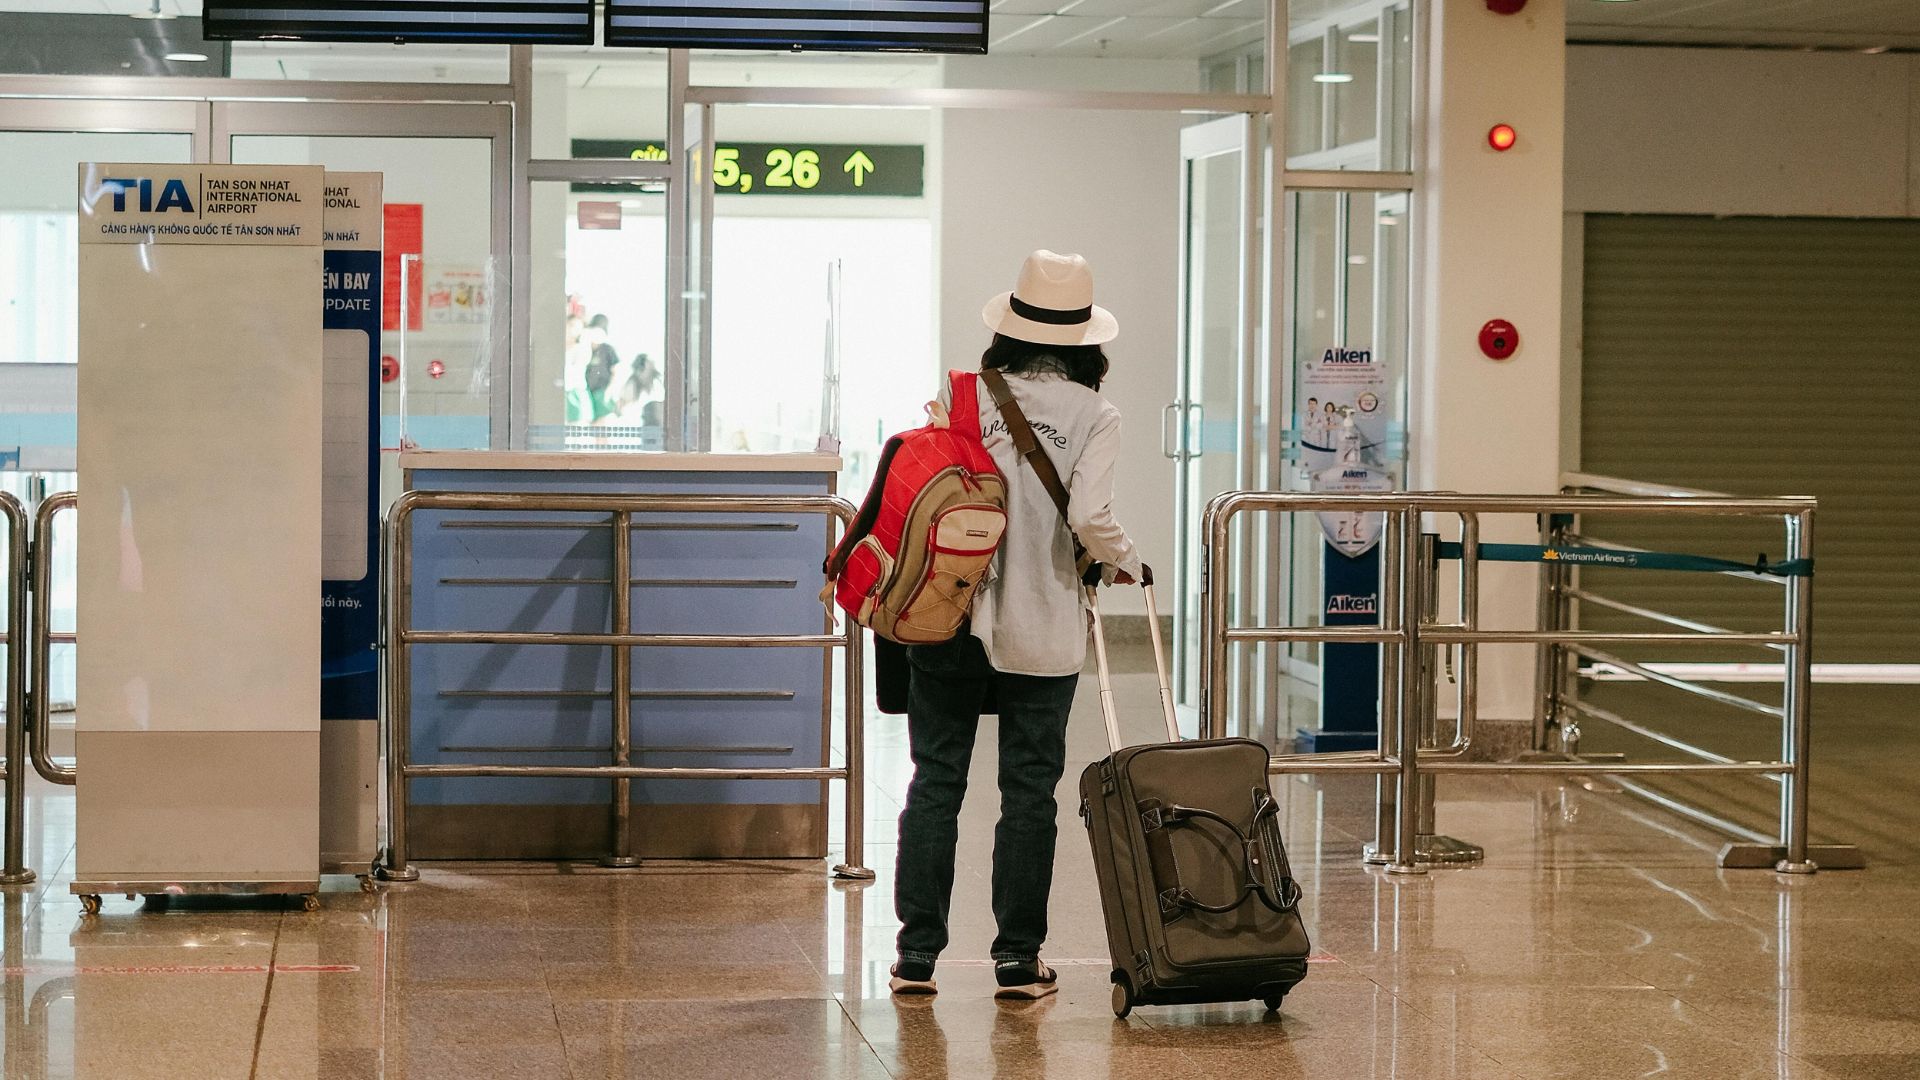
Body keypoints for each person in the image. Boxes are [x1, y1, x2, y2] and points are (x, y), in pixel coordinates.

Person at [891, 249, 1144, 1002]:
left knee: (936, 782)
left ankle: (915, 959)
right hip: (1042, 624)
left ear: (1008, 329)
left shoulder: (965, 394)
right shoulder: (1095, 414)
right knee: (1028, 792)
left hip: (946, 615)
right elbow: (1093, 518)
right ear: (1085, 341)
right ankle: (1016, 960)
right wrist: (1126, 561)